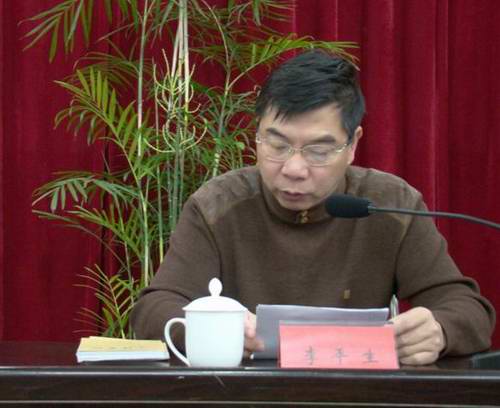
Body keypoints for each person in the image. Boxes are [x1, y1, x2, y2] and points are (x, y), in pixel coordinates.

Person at [131, 50, 495, 365]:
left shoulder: (391, 204)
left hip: (357, 395)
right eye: (277, 146)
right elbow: (154, 308)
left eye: (319, 151)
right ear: (256, 135)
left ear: (352, 145)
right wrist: (210, 329)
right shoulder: (218, 205)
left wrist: (440, 330)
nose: (294, 169)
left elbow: (467, 308)